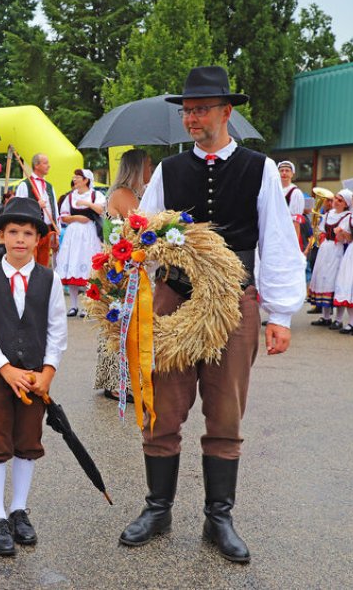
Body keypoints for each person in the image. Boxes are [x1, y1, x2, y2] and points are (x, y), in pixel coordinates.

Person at [120, 66, 306, 563]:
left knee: (225, 412)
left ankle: (218, 517)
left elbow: (279, 241)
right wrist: (137, 252)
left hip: (234, 304)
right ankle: (158, 509)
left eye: (201, 109)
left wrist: (281, 315)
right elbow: (146, 236)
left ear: (227, 112)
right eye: (186, 110)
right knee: (162, 408)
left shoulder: (259, 167)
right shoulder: (168, 170)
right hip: (175, 297)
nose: (191, 117)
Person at [0, 197, 67, 556]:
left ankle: (19, 509)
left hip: (35, 378)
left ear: (38, 239)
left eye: (28, 233)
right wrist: (5, 367)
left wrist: (48, 371)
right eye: (13, 232)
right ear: (1, 235)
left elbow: (57, 329)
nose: (20, 239)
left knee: (28, 441)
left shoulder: (50, 279)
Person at [94, 149, 152, 401]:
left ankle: (118, 380)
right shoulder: (125, 194)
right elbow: (145, 224)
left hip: (124, 267)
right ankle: (120, 383)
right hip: (123, 269)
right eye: (149, 165)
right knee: (122, 324)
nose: (152, 170)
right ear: (138, 168)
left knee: (122, 323)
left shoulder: (129, 193)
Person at [55, 169, 105, 317]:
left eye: (78, 177)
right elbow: (64, 216)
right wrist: (77, 218)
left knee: (88, 267)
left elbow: (101, 209)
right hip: (73, 234)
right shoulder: (70, 197)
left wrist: (86, 203)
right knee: (72, 265)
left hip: (90, 234)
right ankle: (74, 305)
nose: (75, 180)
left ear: (86, 180)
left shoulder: (96, 195)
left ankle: (87, 306)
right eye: (74, 177)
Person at [307, 189, 352, 328]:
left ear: (346, 204)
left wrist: (341, 233)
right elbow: (322, 231)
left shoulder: (348, 216)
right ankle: (325, 316)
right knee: (323, 279)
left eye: (340, 200)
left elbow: (347, 237)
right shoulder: (328, 214)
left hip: (338, 250)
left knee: (336, 282)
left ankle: (338, 319)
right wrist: (320, 236)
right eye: (335, 199)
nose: (335, 202)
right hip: (325, 249)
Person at [15, 153, 60, 267]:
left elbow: (55, 209)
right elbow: (18, 208)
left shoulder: (49, 186)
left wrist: (57, 233)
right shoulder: (25, 185)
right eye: (45, 163)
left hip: (48, 230)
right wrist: (35, 205)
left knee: (44, 263)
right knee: (30, 261)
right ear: (36, 165)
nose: (48, 166)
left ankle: (41, 283)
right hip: (32, 228)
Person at [333, 188, 353, 335]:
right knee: (349, 284)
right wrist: (341, 232)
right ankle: (351, 321)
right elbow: (349, 238)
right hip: (352, 251)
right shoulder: (350, 217)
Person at [278, 160, 305, 249]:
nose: (284, 173)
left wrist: (294, 244)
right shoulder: (275, 190)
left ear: (292, 174)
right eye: (281, 171)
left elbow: (296, 222)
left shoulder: (295, 193)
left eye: (287, 170)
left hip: (288, 233)